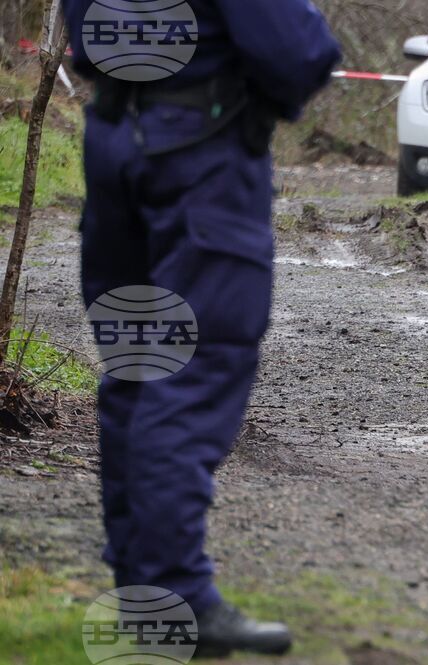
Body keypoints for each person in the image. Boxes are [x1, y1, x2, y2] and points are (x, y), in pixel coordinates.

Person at [61, 0, 341, 657]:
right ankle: (175, 597)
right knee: (189, 369)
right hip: (201, 157)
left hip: (113, 140)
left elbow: (84, 34)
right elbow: (296, 51)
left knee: (137, 370)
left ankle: (144, 590)